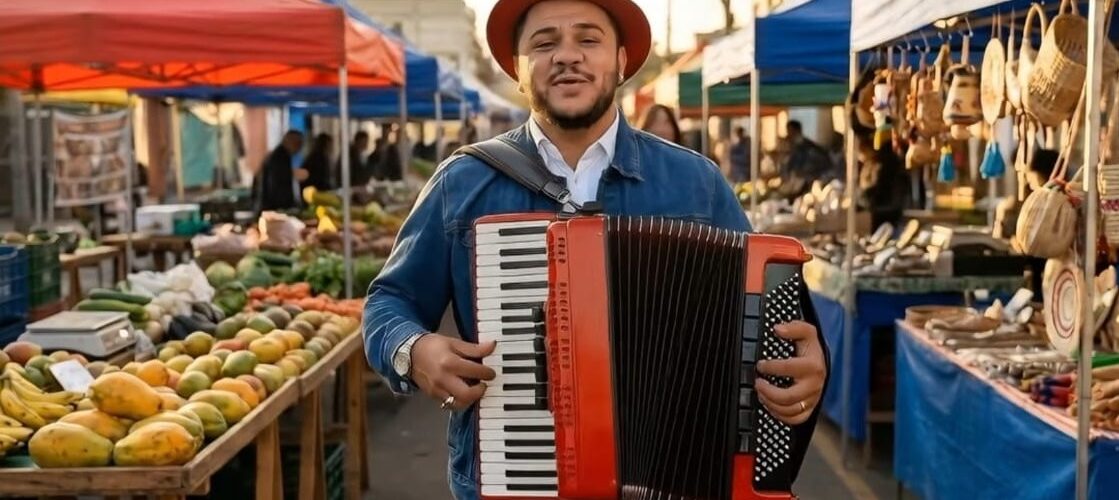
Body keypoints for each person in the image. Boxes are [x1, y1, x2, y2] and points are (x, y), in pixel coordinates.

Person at [362, 2, 828, 498]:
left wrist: (803, 365)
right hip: (511, 480)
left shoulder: (699, 185)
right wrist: (413, 350)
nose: (567, 56)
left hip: (673, 475)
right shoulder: (463, 181)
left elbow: (770, 323)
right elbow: (389, 302)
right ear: (518, 71)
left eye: (588, 40)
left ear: (622, 61)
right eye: (544, 44)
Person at [253, 130, 306, 214]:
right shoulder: (279, 157)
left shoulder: (281, 155)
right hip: (273, 207)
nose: (300, 147)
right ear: (288, 141)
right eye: (298, 143)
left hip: (271, 206)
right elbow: (276, 184)